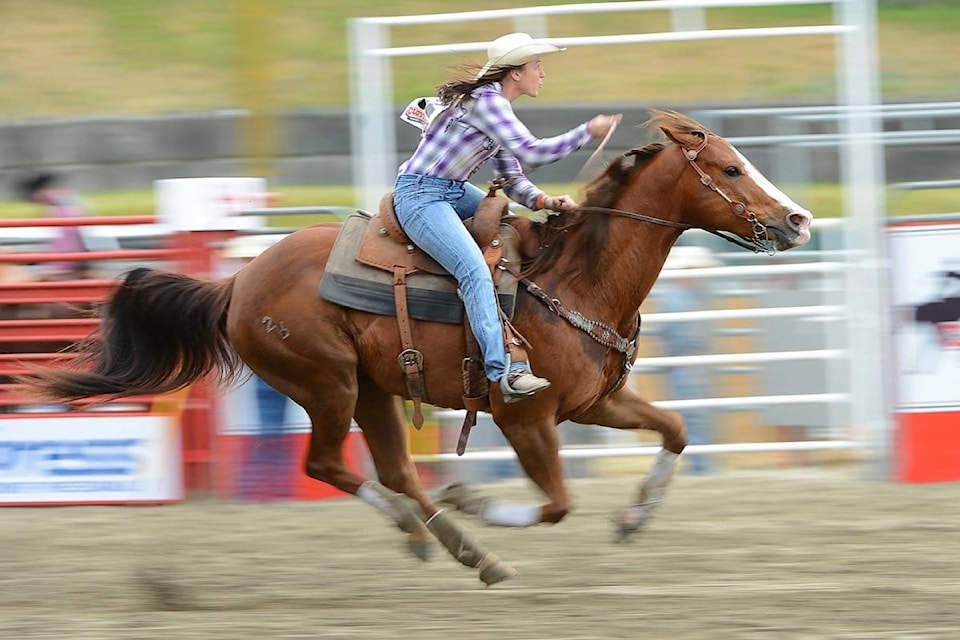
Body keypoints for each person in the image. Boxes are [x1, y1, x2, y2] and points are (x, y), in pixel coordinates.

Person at [392, 32, 621, 403]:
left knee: (515, 228)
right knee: (473, 271)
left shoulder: (492, 107)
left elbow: (513, 178)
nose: (542, 74)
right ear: (515, 73)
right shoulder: (489, 103)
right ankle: (507, 372)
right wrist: (586, 131)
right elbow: (531, 152)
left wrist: (544, 199)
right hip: (421, 195)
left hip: (449, 190)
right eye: (536, 66)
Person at [16, 172, 93, 280]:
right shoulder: (65, 202)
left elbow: (67, 240)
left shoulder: (59, 209)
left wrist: (55, 267)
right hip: (74, 259)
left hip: (69, 263)